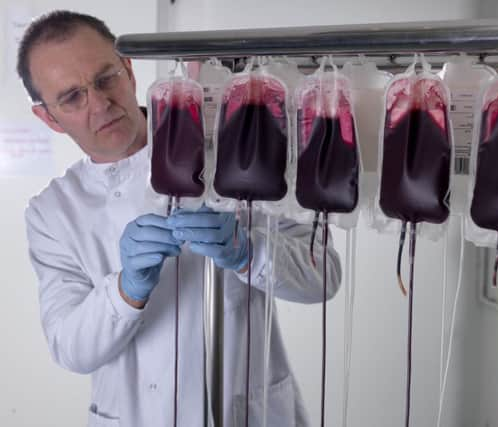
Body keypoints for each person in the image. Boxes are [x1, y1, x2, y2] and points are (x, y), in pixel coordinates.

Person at [19, 10, 341, 427]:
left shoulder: (237, 154)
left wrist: (250, 251)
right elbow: (70, 348)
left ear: (129, 71)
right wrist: (124, 290)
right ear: (48, 117)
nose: (100, 104)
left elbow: (325, 275)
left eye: (105, 79)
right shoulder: (52, 213)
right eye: (72, 97)